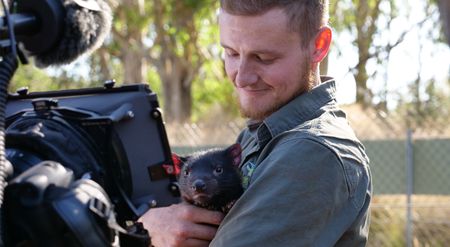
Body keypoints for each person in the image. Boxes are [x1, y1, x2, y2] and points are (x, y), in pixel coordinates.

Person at [139, 0, 372, 246]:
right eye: (231, 53)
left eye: (263, 57)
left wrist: (144, 233)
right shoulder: (262, 132)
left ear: (318, 45)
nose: (241, 77)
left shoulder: (314, 152)